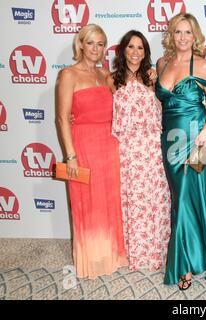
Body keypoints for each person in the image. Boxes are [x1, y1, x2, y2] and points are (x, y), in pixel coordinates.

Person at [155, 13, 206, 290]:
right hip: (170, 141)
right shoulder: (162, 63)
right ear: (171, 35)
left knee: (188, 195)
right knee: (180, 198)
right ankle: (196, 254)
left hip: (199, 140)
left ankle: (184, 264)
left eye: (188, 32)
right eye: (177, 32)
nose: (183, 38)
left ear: (195, 36)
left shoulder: (205, 65)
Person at [56, 24, 128, 279]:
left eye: (100, 44)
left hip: (110, 144)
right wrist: (70, 155)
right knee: (86, 202)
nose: (95, 49)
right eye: (91, 43)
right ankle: (92, 260)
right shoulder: (68, 75)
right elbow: (63, 119)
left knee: (109, 201)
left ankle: (112, 255)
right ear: (81, 45)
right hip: (83, 146)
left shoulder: (107, 76)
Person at [109, 30, 171, 271]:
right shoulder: (112, 79)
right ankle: (133, 253)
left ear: (146, 53)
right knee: (132, 201)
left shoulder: (153, 77)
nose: (135, 52)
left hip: (152, 148)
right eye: (131, 47)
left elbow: (166, 107)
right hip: (125, 150)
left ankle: (156, 253)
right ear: (123, 50)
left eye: (140, 48)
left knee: (155, 200)